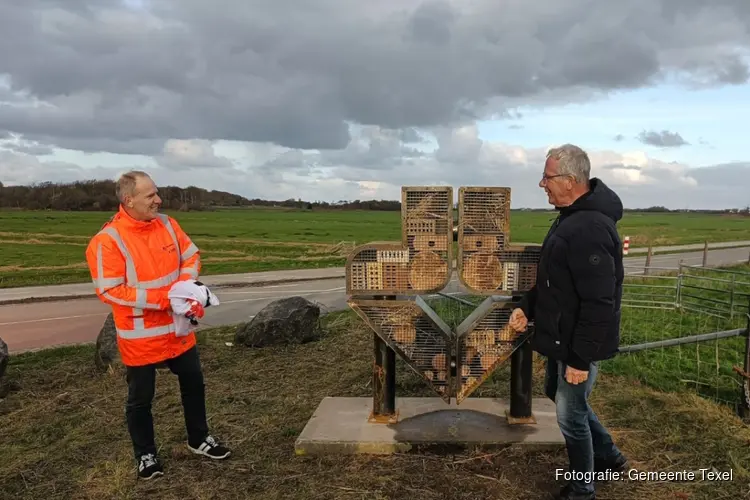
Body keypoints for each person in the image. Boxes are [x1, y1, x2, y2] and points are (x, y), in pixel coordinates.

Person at [85, 170, 231, 480]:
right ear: (129, 200)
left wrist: (185, 286)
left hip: (178, 329)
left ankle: (199, 439)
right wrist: (167, 298)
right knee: (140, 398)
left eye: (157, 193)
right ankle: (146, 455)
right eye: (150, 195)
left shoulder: (167, 224)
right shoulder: (107, 240)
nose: (158, 200)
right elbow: (110, 289)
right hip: (141, 336)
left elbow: (191, 255)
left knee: (194, 383)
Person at [508, 145, 629, 500]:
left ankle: (582, 489)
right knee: (556, 395)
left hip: (576, 342)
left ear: (571, 181)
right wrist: (528, 308)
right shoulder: (570, 217)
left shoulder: (589, 227)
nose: (542, 183)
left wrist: (579, 359)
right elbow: (554, 280)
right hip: (563, 336)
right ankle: (608, 455)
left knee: (570, 415)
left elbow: (599, 301)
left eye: (547, 177)